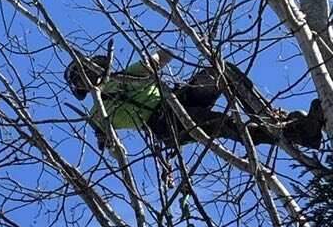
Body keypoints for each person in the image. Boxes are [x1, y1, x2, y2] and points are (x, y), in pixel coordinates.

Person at [65, 48, 324, 151]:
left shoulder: (123, 75)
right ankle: (296, 133)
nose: (90, 73)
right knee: (223, 124)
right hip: (164, 123)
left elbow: (156, 62)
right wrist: (111, 146)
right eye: (83, 75)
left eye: (89, 68)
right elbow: (106, 140)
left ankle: (273, 118)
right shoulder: (96, 113)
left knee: (221, 73)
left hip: (179, 97)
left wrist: (162, 54)